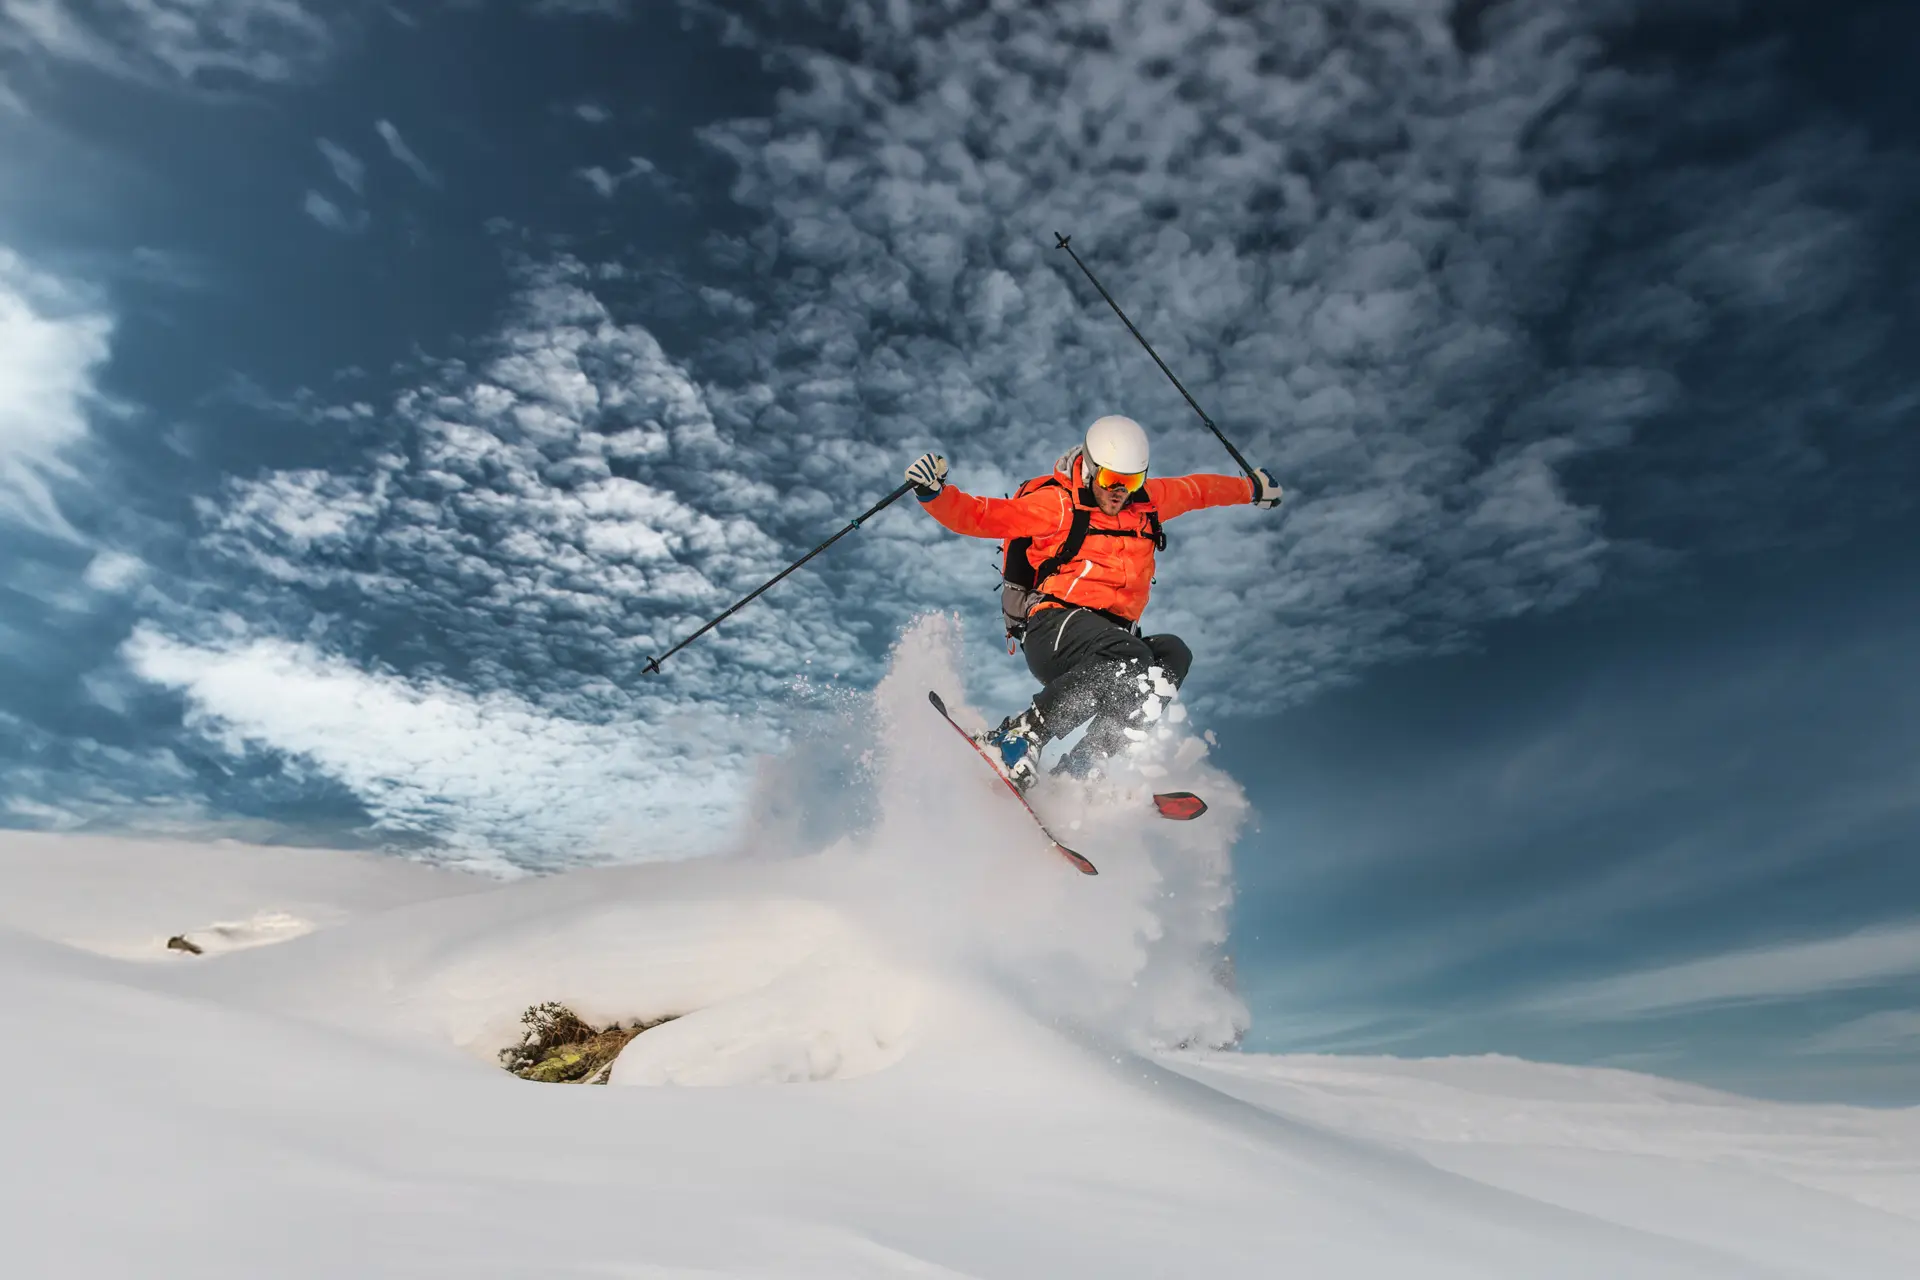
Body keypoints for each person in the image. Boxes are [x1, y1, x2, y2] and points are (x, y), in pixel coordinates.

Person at [904, 414, 1283, 789]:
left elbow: (1198, 490)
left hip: (1110, 645)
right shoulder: (1057, 505)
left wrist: (1251, 488)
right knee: (1130, 656)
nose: (1120, 491)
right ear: (1089, 468)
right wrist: (933, 494)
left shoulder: (1148, 504)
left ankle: (1085, 767)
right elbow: (983, 516)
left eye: (1132, 481)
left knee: (1171, 656)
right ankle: (1019, 736)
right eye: (1110, 480)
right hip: (1053, 628)